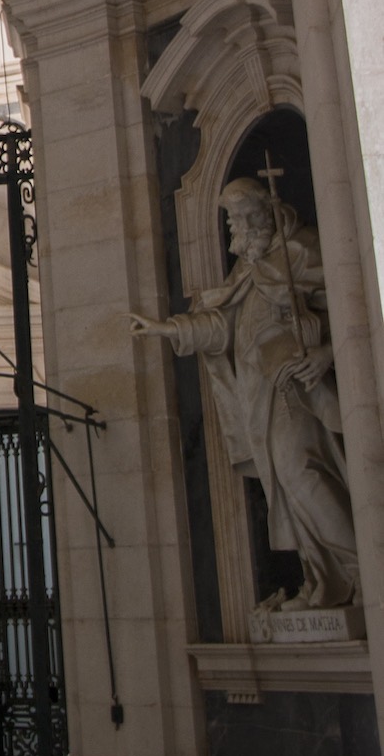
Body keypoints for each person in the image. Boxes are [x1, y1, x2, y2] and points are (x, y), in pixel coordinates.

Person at [131, 176, 357, 611]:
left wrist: (327, 353)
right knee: (288, 488)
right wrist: (166, 328)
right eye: (230, 220)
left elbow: (354, 306)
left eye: (238, 218)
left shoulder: (301, 253)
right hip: (262, 396)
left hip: (297, 389)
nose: (234, 228)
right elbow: (221, 327)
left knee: (302, 476)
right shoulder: (249, 272)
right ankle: (324, 581)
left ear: (262, 214)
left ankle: (364, 568)